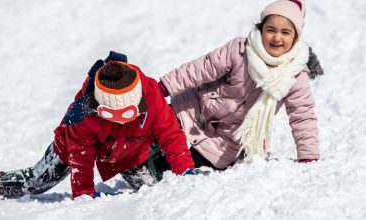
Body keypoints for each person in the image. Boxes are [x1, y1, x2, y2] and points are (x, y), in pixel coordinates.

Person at [123, 0, 324, 189]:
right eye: (270, 30)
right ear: (261, 29)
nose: (276, 37)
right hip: (195, 109)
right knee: (161, 125)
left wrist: (308, 155)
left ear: (296, 38)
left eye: (285, 32)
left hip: (227, 138)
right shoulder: (240, 50)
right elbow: (200, 68)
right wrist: (163, 87)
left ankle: (151, 174)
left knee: (196, 160)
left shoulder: (295, 75)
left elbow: (302, 115)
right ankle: (134, 151)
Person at [0, 54, 196, 200]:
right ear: (99, 106)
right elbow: (80, 154)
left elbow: (171, 135)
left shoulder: (151, 96)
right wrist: (84, 191)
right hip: (71, 147)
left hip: (130, 151)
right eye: (109, 115)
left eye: (126, 115)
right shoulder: (82, 111)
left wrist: (185, 170)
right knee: (37, 182)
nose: (119, 120)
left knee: (155, 190)